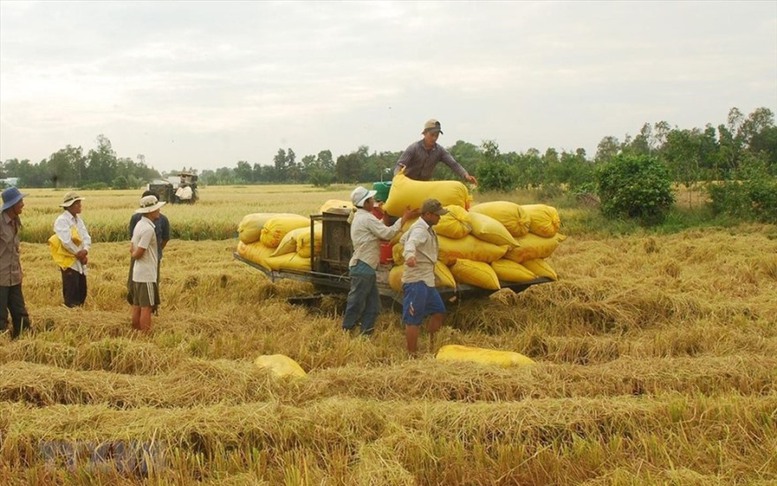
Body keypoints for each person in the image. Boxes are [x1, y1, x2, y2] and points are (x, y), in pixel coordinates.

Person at [341, 187, 417, 336]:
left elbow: (376, 228)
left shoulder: (361, 216)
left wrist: (385, 218)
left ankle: (365, 335)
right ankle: (346, 330)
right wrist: (404, 218)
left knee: (374, 305)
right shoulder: (366, 218)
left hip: (365, 267)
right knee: (357, 302)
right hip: (363, 266)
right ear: (365, 202)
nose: (374, 202)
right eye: (371, 200)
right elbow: (387, 234)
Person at [400, 198, 448, 355]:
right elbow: (410, 243)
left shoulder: (425, 227)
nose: (439, 218)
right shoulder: (420, 230)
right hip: (416, 280)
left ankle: (432, 345)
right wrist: (410, 256)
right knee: (413, 319)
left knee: (439, 311)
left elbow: (403, 239)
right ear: (428, 214)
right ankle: (411, 354)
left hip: (427, 279)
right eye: (437, 215)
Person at [394, 119, 478, 185]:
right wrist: (397, 178)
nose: (434, 138)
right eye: (432, 135)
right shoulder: (414, 148)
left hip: (423, 185)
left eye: (437, 135)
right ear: (425, 133)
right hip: (407, 184)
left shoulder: (440, 151)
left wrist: (466, 175)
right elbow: (400, 165)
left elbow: (454, 164)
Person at [129, 195, 166, 332]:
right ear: (150, 211)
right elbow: (139, 252)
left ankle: (135, 331)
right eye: (157, 208)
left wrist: (133, 254)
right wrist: (134, 255)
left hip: (137, 273)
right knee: (147, 306)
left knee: (137, 304)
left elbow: (131, 246)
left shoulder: (139, 225)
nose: (159, 211)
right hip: (147, 273)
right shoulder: (148, 229)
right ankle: (145, 335)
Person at [0, 187, 32, 339]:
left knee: (20, 312)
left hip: (14, 275)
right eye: (20, 201)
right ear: (11, 205)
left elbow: (14, 250)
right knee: (0, 315)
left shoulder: (15, 222)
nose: (23, 204)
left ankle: (23, 342)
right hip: (1, 277)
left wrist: (19, 271)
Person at [53, 192, 91, 307]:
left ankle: (79, 315)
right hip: (69, 262)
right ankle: (72, 319)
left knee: (82, 291)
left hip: (80, 261)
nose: (80, 205)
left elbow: (86, 236)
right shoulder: (62, 220)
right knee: (71, 292)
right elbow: (66, 241)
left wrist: (85, 250)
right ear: (70, 205)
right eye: (77, 203)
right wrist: (79, 254)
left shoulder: (78, 220)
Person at [129, 190, 170, 266]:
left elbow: (165, 239)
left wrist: (155, 249)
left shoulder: (163, 219)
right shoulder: (144, 225)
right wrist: (136, 253)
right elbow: (133, 239)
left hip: (153, 256)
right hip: (140, 257)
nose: (159, 209)